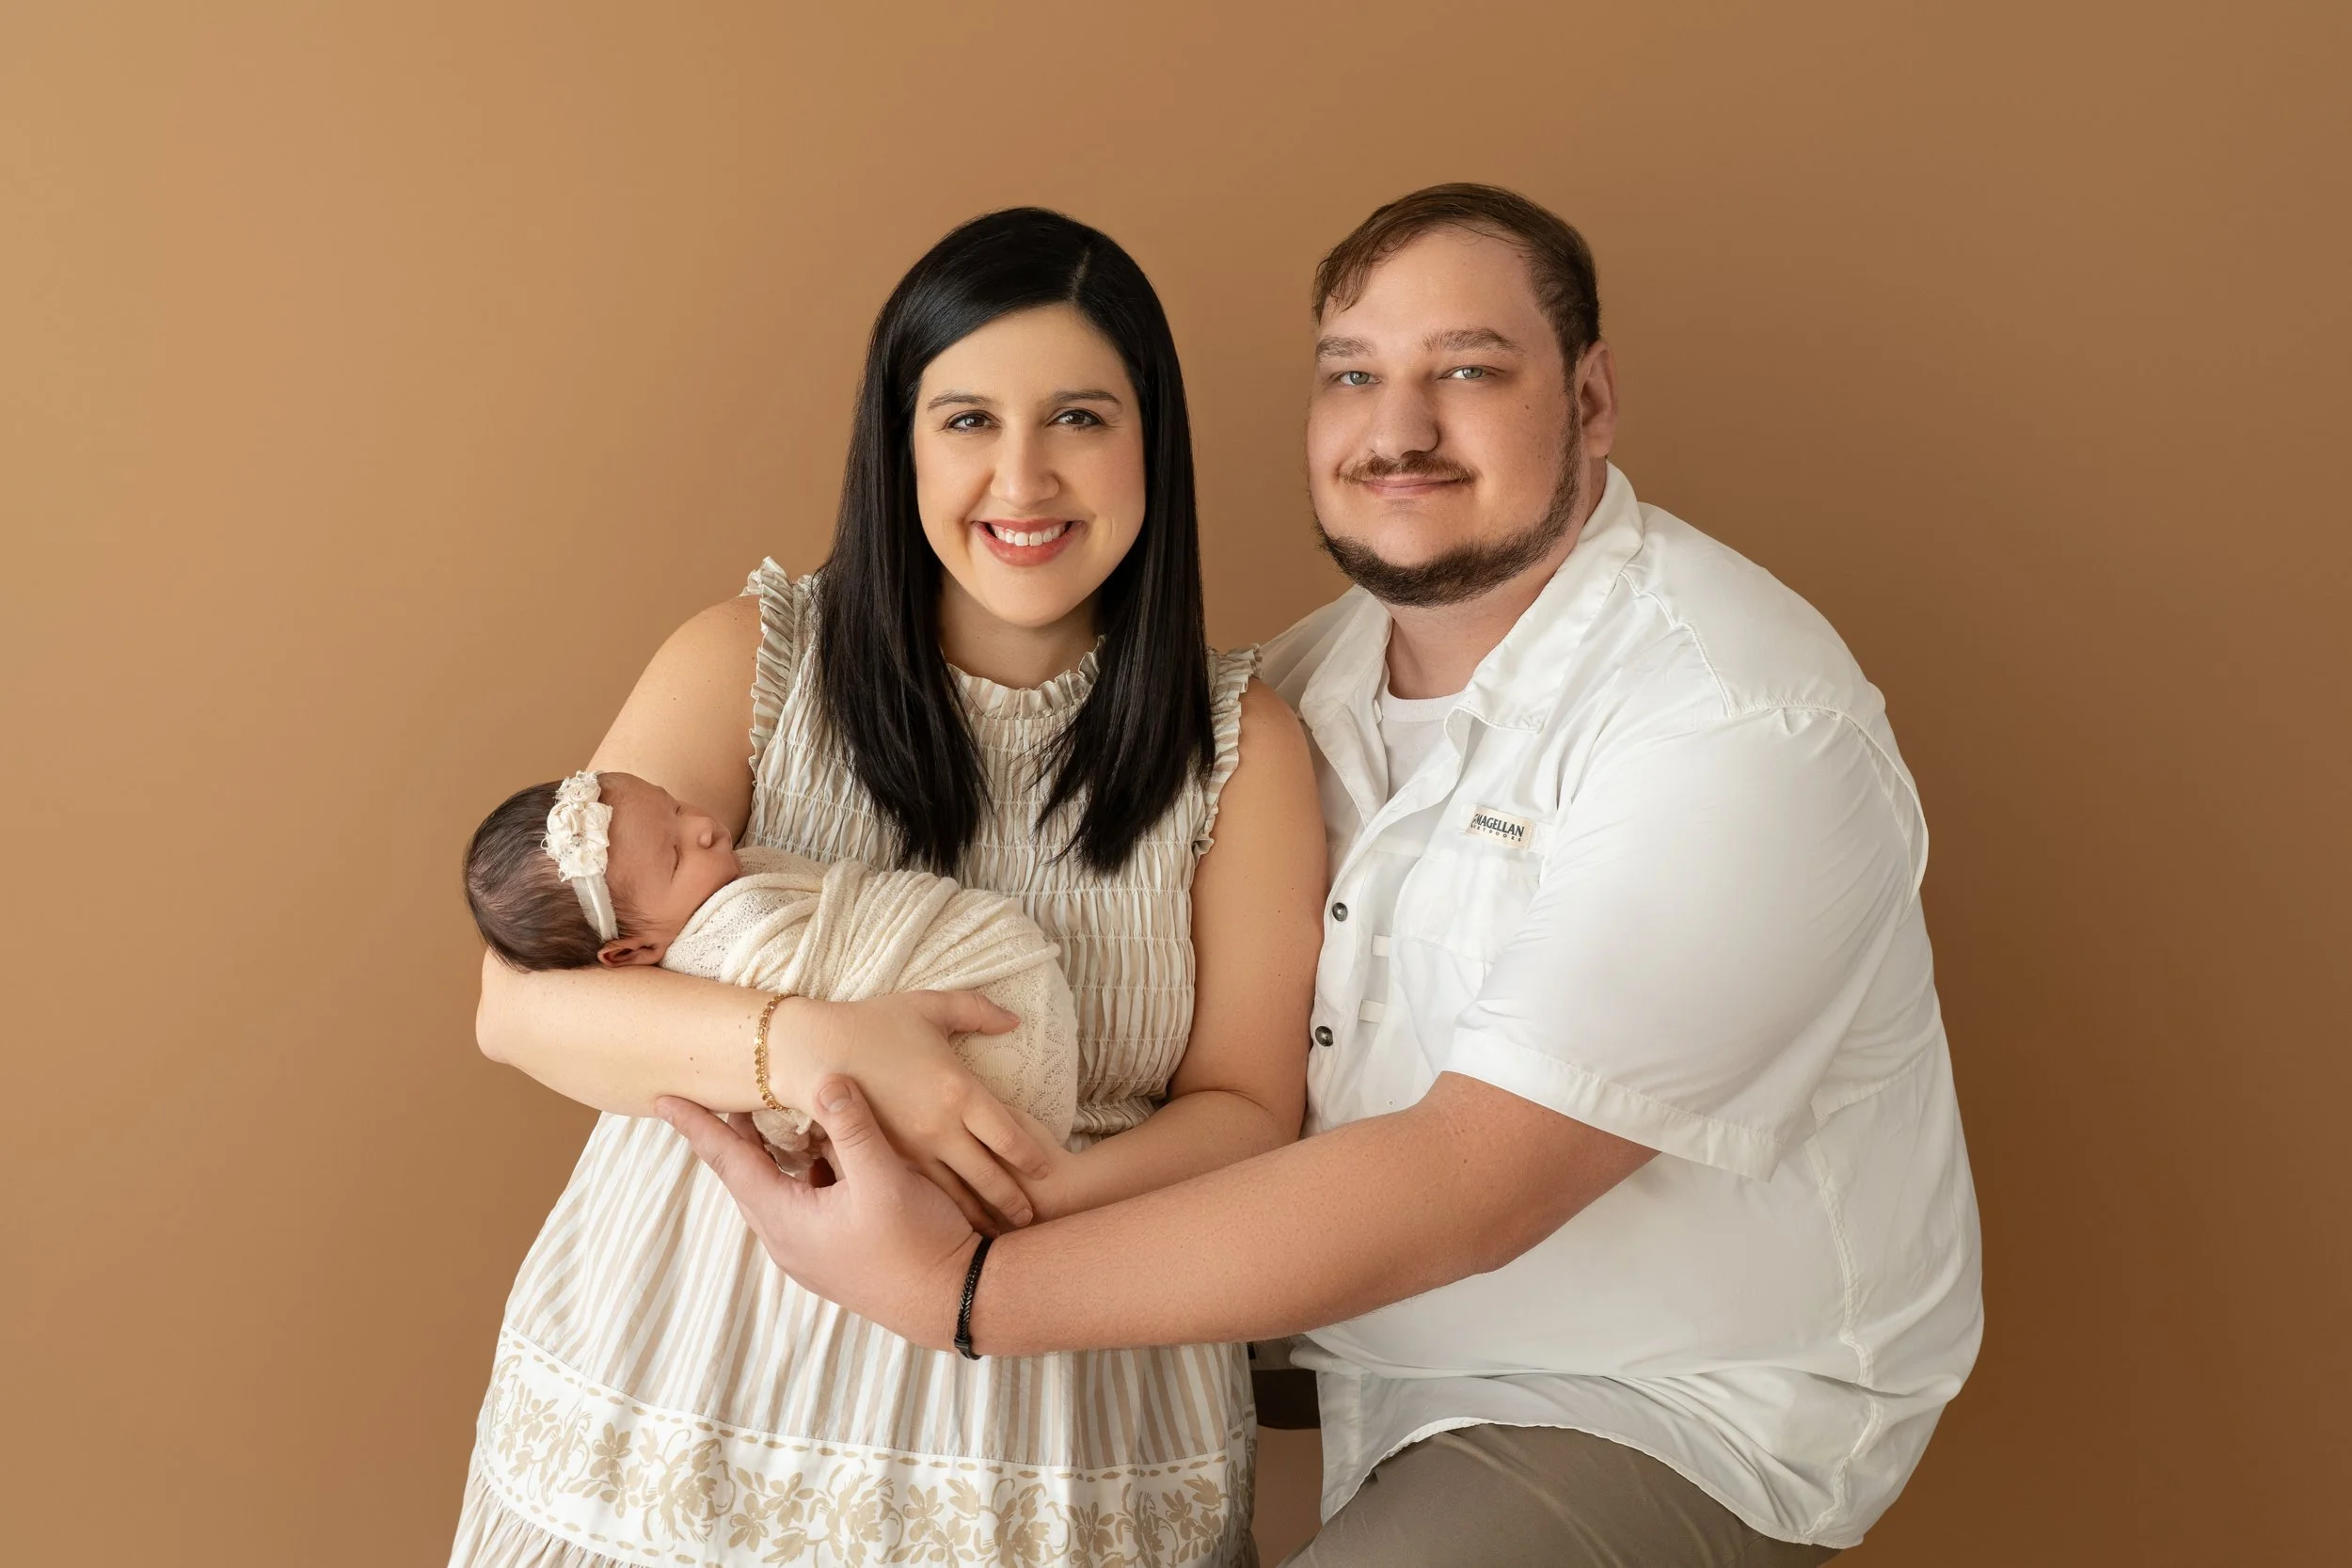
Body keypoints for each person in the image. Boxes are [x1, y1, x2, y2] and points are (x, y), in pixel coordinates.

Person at [661, 183, 1985, 1567]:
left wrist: (965, 1284)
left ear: (1590, 400)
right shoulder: (1285, 700)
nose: (1398, 429)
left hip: (1656, 1395)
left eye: (1468, 370)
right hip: (1350, 1352)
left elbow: (1478, 1180)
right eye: (1354, 373)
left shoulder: (1736, 720)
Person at [456, 208, 1324, 1567]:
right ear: (899, 444)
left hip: (1060, 1381)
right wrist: (818, 1050)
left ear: (1153, 441)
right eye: (967, 418)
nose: (1022, 478)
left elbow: (1249, 1111)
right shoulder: (755, 659)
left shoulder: (1243, 749)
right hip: (699, 1376)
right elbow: (521, 1007)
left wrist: (1008, 1197)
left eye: (1081, 418)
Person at [461, 768, 1081, 1170]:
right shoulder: (724, 948)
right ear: (627, 954)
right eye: (676, 855)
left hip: (974, 967)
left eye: (674, 804)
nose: (703, 826)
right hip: (969, 1043)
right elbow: (792, 1095)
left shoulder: (730, 877)